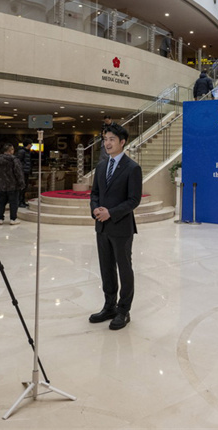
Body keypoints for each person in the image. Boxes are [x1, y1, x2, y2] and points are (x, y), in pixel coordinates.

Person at [89, 123, 142, 331]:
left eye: (112, 139)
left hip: (121, 227)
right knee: (106, 268)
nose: (107, 143)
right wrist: (95, 209)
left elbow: (133, 200)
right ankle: (109, 306)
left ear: (122, 142)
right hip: (101, 227)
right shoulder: (101, 166)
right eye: (105, 139)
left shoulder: (132, 168)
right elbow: (94, 193)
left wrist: (111, 212)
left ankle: (123, 310)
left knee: (124, 268)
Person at [0, 143, 25, 225]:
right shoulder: (14, 160)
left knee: (1, 202)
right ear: (11, 150)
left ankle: (0, 219)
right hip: (13, 185)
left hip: (1, 185)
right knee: (13, 203)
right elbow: (18, 173)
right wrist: (21, 183)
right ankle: (13, 219)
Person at [14, 142, 31, 208]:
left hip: (26, 171)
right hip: (23, 172)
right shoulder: (22, 152)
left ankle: (22, 201)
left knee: (24, 187)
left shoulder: (27, 152)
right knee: (22, 187)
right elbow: (18, 161)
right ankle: (19, 202)